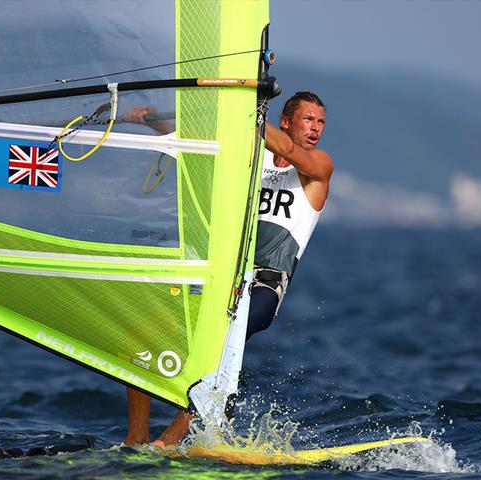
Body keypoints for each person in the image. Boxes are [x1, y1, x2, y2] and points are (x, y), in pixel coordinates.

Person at [122, 91, 333, 447]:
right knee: (139, 337)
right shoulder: (253, 156)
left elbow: (290, 151)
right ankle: (136, 437)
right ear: (286, 120)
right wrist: (152, 121)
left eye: (321, 122)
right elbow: (199, 145)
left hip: (265, 286)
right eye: (308, 119)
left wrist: (243, 113)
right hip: (223, 277)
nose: (316, 128)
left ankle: (169, 441)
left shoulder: (318, 168)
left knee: (217, 348)